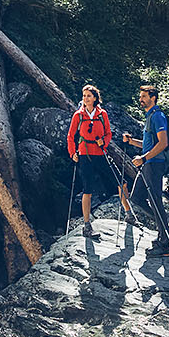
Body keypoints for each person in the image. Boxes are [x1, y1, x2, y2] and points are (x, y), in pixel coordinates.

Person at [66, 85, 128, 237]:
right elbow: (70, 136)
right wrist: (72, 153)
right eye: (84, 95)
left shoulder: (102, 114)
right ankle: (87, 225)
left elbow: (108, 133)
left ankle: (129, 213)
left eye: (88, 95)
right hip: (85, 155)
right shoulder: (78, 115)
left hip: (100, 153)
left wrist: (104, 142)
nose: (85, 98)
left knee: (121, 182)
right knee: (88, 189)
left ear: (95, 98)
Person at [122, 84, 169, 257]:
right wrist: (131, 142)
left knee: (155, 200)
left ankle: (164, 244)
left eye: (144, 96)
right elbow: (148, 144)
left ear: (153, 97)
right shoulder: (150, 116)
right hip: (148, 164)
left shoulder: (158, 116)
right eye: (141, 96)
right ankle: (165, 228)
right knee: (136, 198)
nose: (141, 99)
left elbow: (163, 143)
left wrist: (144, 158)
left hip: (154, 164)